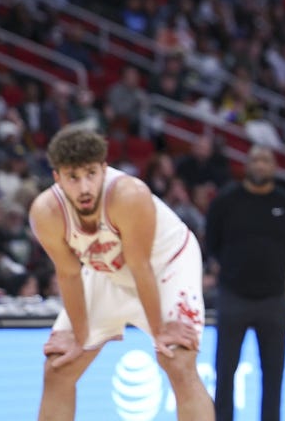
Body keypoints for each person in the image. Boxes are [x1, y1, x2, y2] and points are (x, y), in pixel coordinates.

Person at [27, 124, 213, 421]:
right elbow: (69, 275)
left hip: (165, 267)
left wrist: (162, 331)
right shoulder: (45, 212)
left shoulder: (128, 194)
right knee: (57, 368)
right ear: (57, 178)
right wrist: (80, 336)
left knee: (177, 362)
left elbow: (140, 267)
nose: (84, 187)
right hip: (106, 272)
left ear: (104, 168)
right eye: (73, 177)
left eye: (91, 174)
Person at [206, 145, 285, 421]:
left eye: (266, 160)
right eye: (255, 160)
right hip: (233, 297)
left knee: (274, 373)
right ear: (246, 165)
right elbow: (212, 243)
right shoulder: (226, 201)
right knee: (225, 371)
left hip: (273, 299)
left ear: (274, 166)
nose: (260, 165)